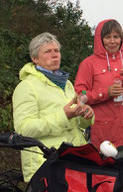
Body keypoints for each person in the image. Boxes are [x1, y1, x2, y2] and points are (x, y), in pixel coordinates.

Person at [13, 32, 94, 182]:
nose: (54, 55)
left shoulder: (67, 84)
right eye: (48, 51)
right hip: (46, 167)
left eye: (56, 51)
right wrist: (64, 116)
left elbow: (76, 123)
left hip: (72, 162)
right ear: (34, 58)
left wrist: (85, 115)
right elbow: (23, 129)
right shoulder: (27, 87)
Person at [74, 19, 123, 149]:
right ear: (100, 40)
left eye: (116, 37)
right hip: (103, 134)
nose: (112, 41)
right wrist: (105, 93)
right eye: (107, 37)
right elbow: (79, 95)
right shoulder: (88, 64)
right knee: (105, 168)